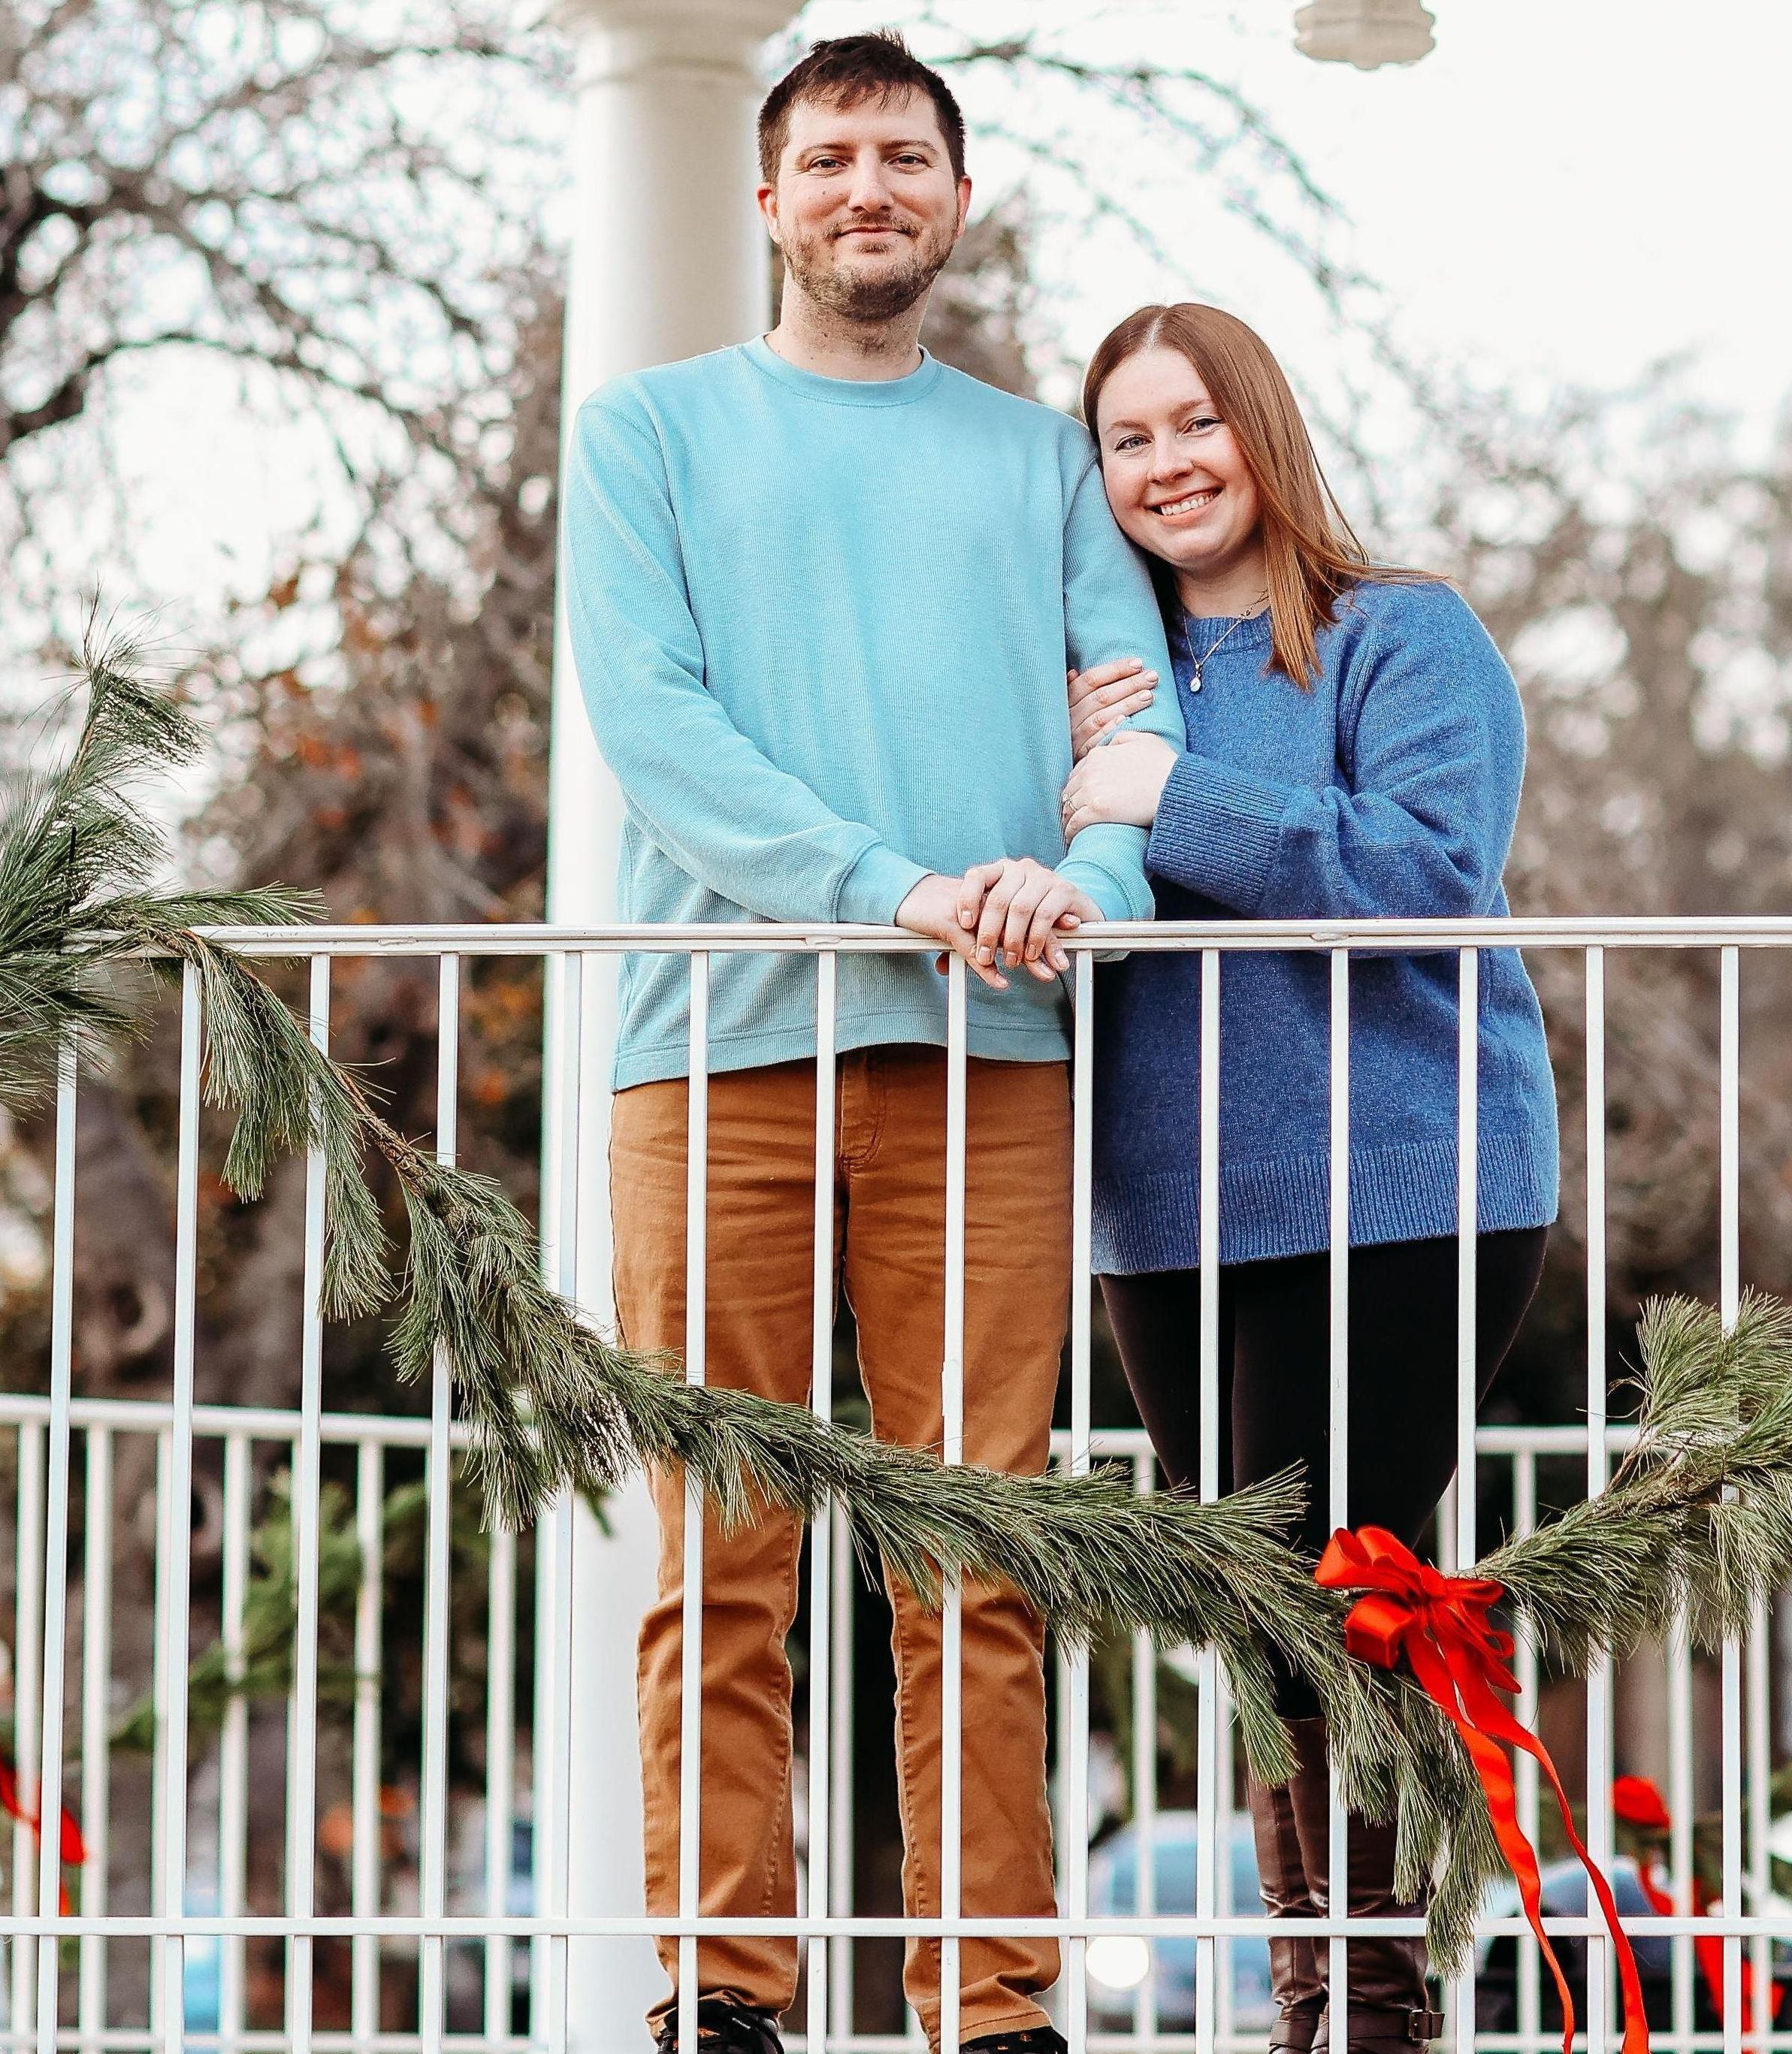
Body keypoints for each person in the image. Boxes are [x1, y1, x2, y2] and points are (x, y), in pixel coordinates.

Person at [561, 36, 1183, 2054]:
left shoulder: (1038, 464)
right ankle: (720, 1997)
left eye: (902, 157)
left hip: (988, 1054)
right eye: (826, 157)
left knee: (977, 1552)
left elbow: (1127, 733)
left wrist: (1082, 879)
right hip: (710, 1048)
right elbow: (658, 734)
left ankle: (989, 2005)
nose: (865, 188)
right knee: (719, 1546)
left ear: (955, 196)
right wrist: (896, 879)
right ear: (764, 201)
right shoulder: (645, 432)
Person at [1059, 304, 1560, 2054]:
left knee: (1348, 1589)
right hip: (1166, 1199)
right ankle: (1325, 2002)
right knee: (1257, 1614)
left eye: (1197, 421)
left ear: (1261, 429)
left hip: (1404, 1177)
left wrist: (1165, 793)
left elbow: (1429, 873)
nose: (1169, 461)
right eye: (1128, 437)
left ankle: (1366, 2015)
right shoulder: (1094, 673)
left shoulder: (1394, 635)